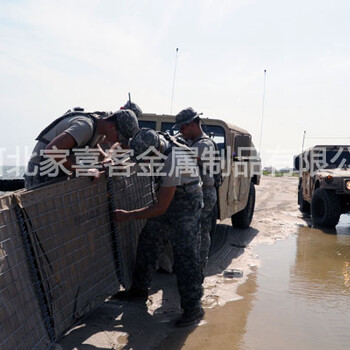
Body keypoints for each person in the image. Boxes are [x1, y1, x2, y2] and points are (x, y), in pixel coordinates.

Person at [113, 128, 204, 327]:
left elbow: (161, 207)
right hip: (171, 198)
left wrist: (128, 215)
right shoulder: (155, 141)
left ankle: (193, 309)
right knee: (148, 240)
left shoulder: (173, 161)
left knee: (185, 255)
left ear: (154, 152)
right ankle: (139, 290)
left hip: (186, 203)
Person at [24, 108, 139, 189]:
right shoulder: (85, 127)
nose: (118, 141)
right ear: (111, 126)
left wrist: (107, 160)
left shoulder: (100, 128)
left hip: (57, 170)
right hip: (41, 170)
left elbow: (94, 144)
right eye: (119, 137)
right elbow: (52, 151)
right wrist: (84, 170)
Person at [174, 107, 218, 270]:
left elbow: (184, 156)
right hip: (190, 193)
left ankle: (197, 268)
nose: (180, 131)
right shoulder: (188, 140)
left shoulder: (205, 145)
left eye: (183, 128)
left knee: (200, 231)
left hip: (204, 193)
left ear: (192, 124)